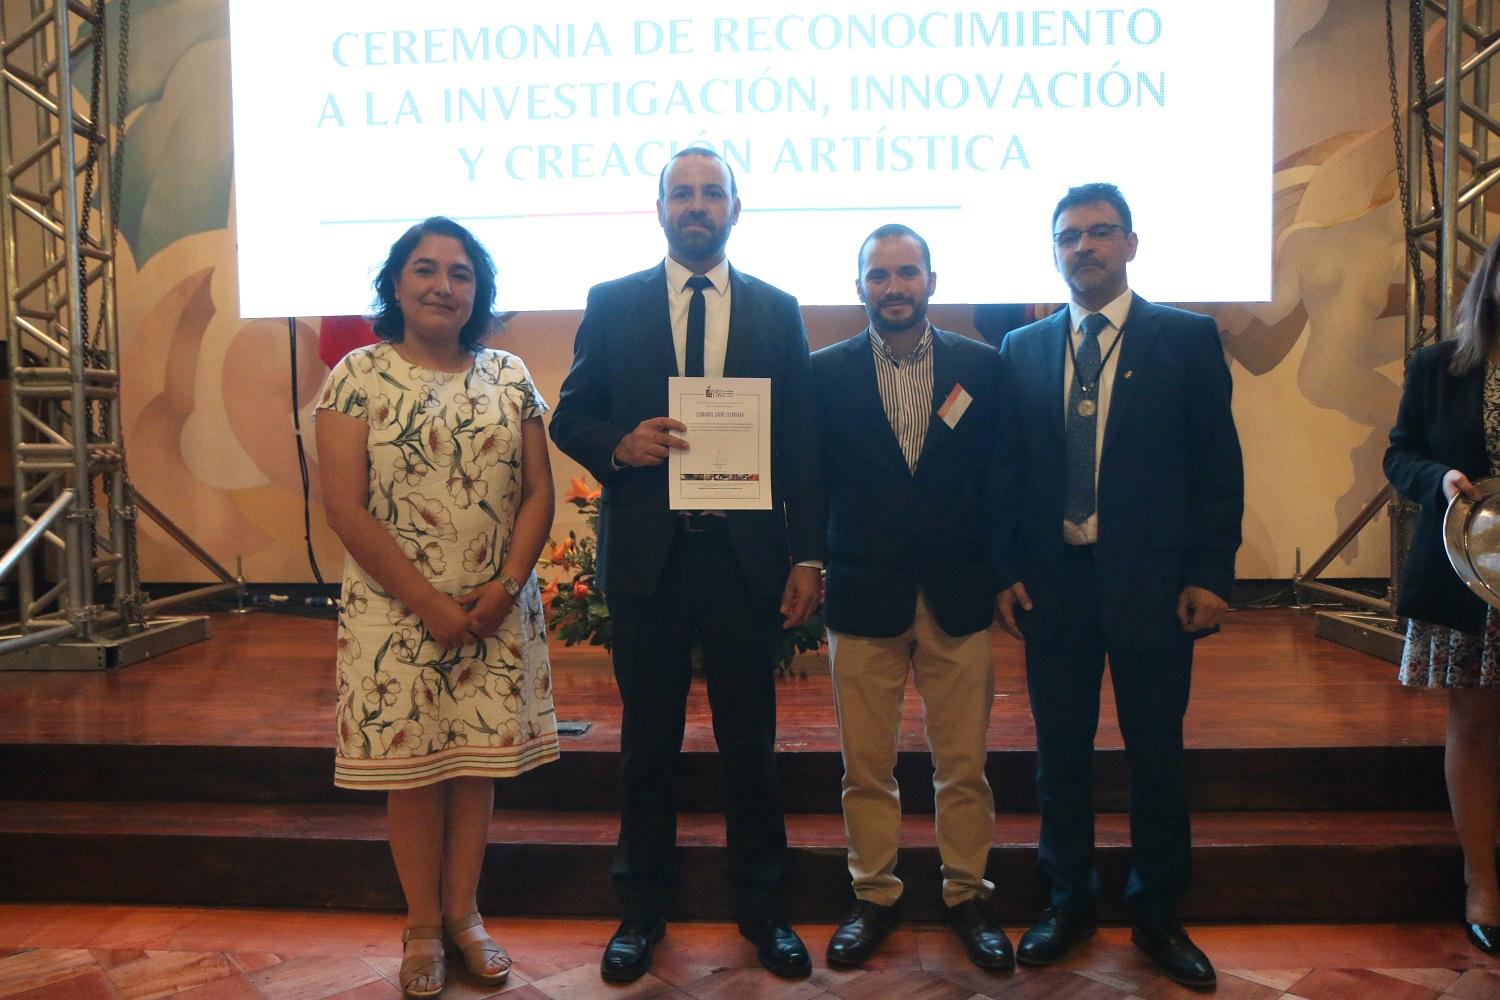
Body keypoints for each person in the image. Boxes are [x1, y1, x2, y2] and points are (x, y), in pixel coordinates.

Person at [549, 146, 823, 981]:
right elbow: (570, 417)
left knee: (752, 743)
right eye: (682, 193)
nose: (696, 206)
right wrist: (619, 445)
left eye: (712, 193)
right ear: (659, 207)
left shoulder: (777, 310)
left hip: (745, 563)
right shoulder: (613, 302)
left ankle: (764, 910)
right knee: (647, 745)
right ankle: (641, 911)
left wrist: (807, 556)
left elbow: (803, 445)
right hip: (649, 564)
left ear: (737, 209)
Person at [992, 183, 1243, 989]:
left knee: (1156, 758)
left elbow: (1218, 468)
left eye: (1101, 234)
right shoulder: (1022, 350)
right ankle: (1068, 905)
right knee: (1059, 758)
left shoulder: (1187, 338)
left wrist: (1211, 572)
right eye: (1070, 237)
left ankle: (1158, 915)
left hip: (1155, 586)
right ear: (1055, 250)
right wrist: (1005, 571)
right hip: (1053, 587)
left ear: (1131, 244)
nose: (1084, 248)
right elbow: (1007, 475)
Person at [316, 217, 557, 1000]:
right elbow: (346, 509)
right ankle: (421, 925)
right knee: (414, 772)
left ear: (478, 290)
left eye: (460, 273)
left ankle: (465, 917)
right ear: (395, 283)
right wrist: (428, 604)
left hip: (494, 609)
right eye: (425, 270)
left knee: (475, 766)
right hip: (396, 616)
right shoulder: (356, 374)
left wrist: (505, 588)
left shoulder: (511, 374)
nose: (443, 286)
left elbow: (538, 493)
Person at [812, 224, 1011, 969]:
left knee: (963, 765)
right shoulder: (821, 373)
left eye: (907, 273)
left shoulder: (982, 370)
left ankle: (969, 894)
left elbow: (1001, 480)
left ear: (932, 279)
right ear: (858, 285)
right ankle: (876, 894)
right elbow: (811, 481)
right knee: (865, 766)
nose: (894, 287)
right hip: (864, 596)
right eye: (879, 276)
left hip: (959, 597)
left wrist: (999, 573)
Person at [1386, 233, 1500, 955]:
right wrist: (1441, 483)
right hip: (1472, 574)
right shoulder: (1441, 365)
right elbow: (1401, 453)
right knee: (1477, 723)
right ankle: (1482, 880)